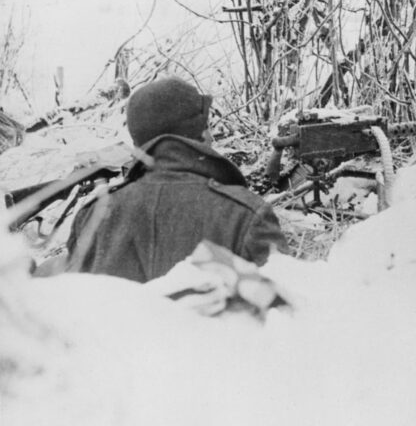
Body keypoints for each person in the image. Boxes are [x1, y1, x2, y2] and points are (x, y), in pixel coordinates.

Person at [65, 76, 288, 283]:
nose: (211, 137)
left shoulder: (91, 218)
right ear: (198, 134)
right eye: (208, 127)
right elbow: (286, 318)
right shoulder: (247, 216)